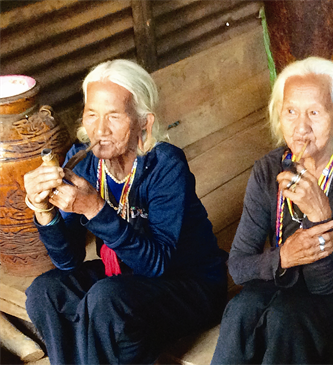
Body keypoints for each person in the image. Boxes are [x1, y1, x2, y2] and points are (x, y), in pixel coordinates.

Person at [23, 59, 228, 365]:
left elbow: (157, 264)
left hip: (189, 285)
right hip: (121, 278)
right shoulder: (85, 163)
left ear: (143, 122)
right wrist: (43, 210)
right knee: (46, 292)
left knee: (106, 300)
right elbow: (68, 260)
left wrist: (95, 208)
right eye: (91, 114)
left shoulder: (165, 165)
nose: (99, 129)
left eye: (114, 116)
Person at [210, 57, 333, 365]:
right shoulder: (268, 171)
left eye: (314, 113)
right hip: (293, 276)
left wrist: (320, 219)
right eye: (290, 111)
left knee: (286, 319)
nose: (301, 127)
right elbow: (238, 267)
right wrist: (283, 258)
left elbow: (326, 284)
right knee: (241, 310)